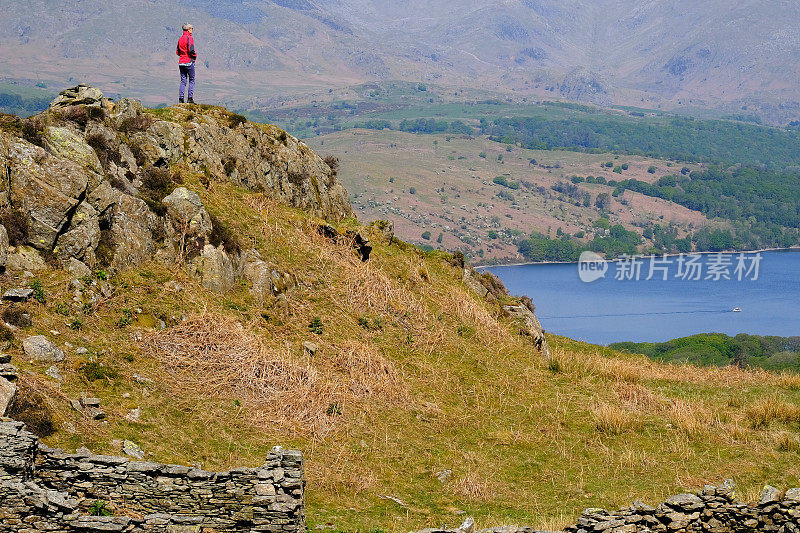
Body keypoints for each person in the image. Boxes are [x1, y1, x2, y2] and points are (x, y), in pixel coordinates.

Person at [176, 23, 197, 104]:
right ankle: (190, 99)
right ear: (188, 29)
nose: (192, 30)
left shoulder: (180, 39)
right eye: (192, 28)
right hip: (189, 61)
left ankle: (181, 99)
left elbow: (177, 51)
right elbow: (191, 50)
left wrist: (182, 55)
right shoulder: (189, 38)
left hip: (181, 62)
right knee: (191, 80)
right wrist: (194, 56)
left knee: (183, 81)